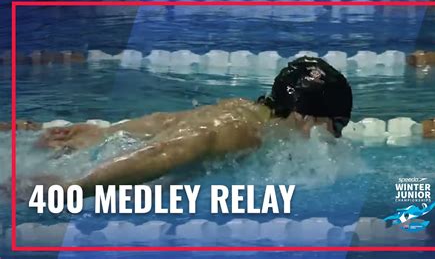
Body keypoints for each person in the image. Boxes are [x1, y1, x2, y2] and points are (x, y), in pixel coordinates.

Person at [6, 56, 353, 198]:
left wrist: (105, 133)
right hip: (102, 168)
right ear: (307, 116)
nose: (336, 136)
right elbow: (165, 151)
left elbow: (167, 122)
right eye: (336, 124)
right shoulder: (243, 131)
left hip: (107, 149)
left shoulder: (250, 114)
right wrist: (73, 187)